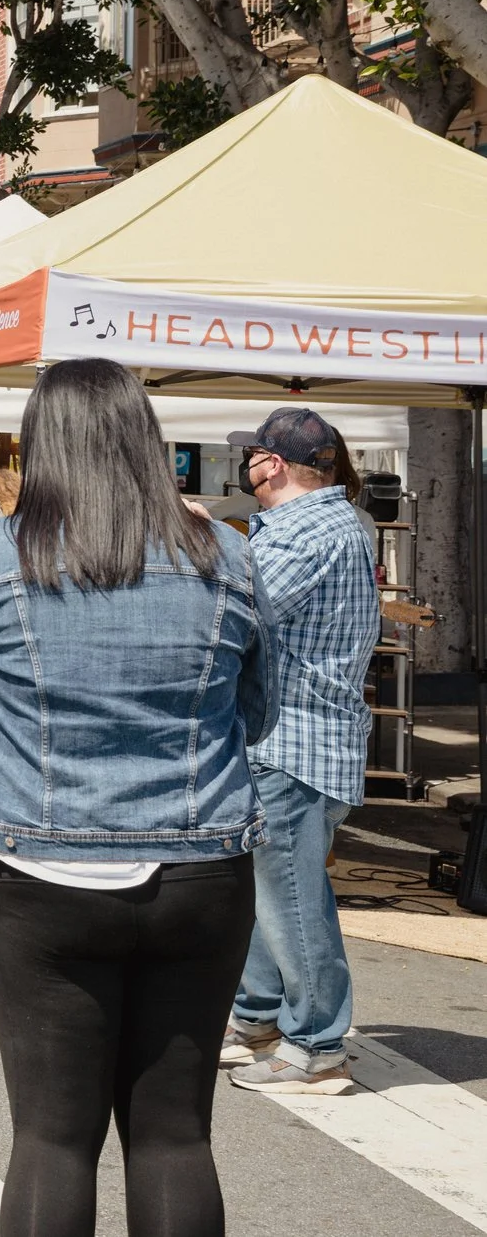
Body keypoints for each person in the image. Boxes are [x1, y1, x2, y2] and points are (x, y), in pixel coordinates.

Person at [0, 358, 269, 1237]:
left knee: (53, 1139)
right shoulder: (225, 553)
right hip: (199, 868)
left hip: (43, 870)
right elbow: (255, 711)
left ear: (43, 445)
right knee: (176, 1135)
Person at [220, 407, 379, 1097]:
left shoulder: (301, 529)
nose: (245, 467)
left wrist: (199, 539)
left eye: (251, 456)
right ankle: (259, 1014)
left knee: (289, 895)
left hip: (293, 738)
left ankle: (315, 1043)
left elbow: (234, 610)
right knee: (274, 888)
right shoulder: (337, 521)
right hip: (314, 735)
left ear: (274, 464)